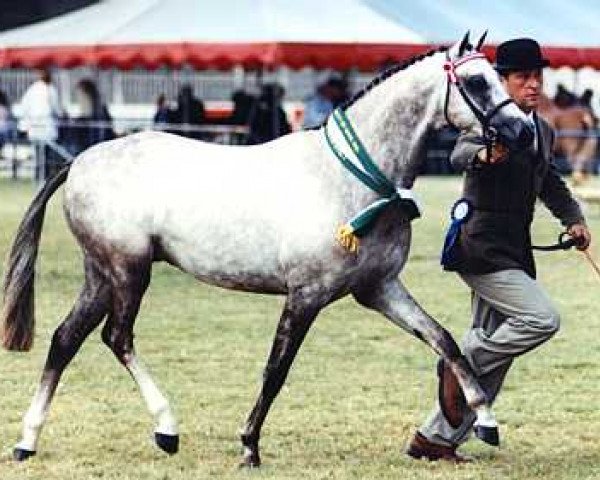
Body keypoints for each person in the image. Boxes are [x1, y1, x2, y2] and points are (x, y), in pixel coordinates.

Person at [406, 38, 592, 462]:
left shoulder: (542, 129)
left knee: (497, 356)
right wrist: (485, 154)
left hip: (515, 248)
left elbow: (551, 184)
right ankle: (458, 363)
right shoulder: (485, 124)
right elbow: (460, 153)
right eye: (523, 77)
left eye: (537, 77)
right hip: (480, 247)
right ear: (502, 82)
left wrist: (573, 220)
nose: (533, 85)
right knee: (540, 319)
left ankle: (434, 439)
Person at [18, 69, 65, 180]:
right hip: (45, 127)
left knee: (39, 155)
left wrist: (25, 124)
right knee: (46, 155)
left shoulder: (33, 89)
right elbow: (57, 109)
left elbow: (24, 107)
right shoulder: (50, 89)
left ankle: (40, 176)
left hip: (36, 127)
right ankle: (44, 177)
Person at [70, 78, 114, 155]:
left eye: (81, 95)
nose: (79, 98)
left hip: (95, 143)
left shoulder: (97, 108)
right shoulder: (98, 106)